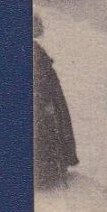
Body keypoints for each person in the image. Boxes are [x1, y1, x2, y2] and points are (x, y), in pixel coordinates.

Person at [32, 15, 78, 188]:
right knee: (48, 131)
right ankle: (47, 173)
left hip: (45, 96)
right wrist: (46, 103)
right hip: (44, 98)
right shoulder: (34, 50)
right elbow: (40, 80)